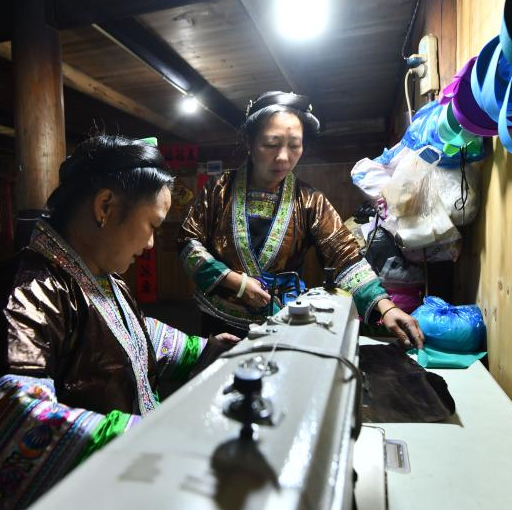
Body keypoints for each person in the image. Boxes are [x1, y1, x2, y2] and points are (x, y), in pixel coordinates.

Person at [0, 135, 238, 510]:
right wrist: (155, 438)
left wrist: (203, 350)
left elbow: (132, 337)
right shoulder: (25, 288)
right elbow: (0, 418)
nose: (151, 244)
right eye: (151, 225)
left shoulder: (97, 275)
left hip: (97, 501)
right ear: (105, 206)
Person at [178, 91, 424, 347]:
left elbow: (344, 257)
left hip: (281, 321)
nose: (283, 157)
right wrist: (235, 282)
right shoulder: (219, 189)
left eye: (295, 145)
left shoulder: (310, 201)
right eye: (271, 144)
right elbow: (188, 242)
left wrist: (385, 307)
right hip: (219, 319)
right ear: (249, 142)